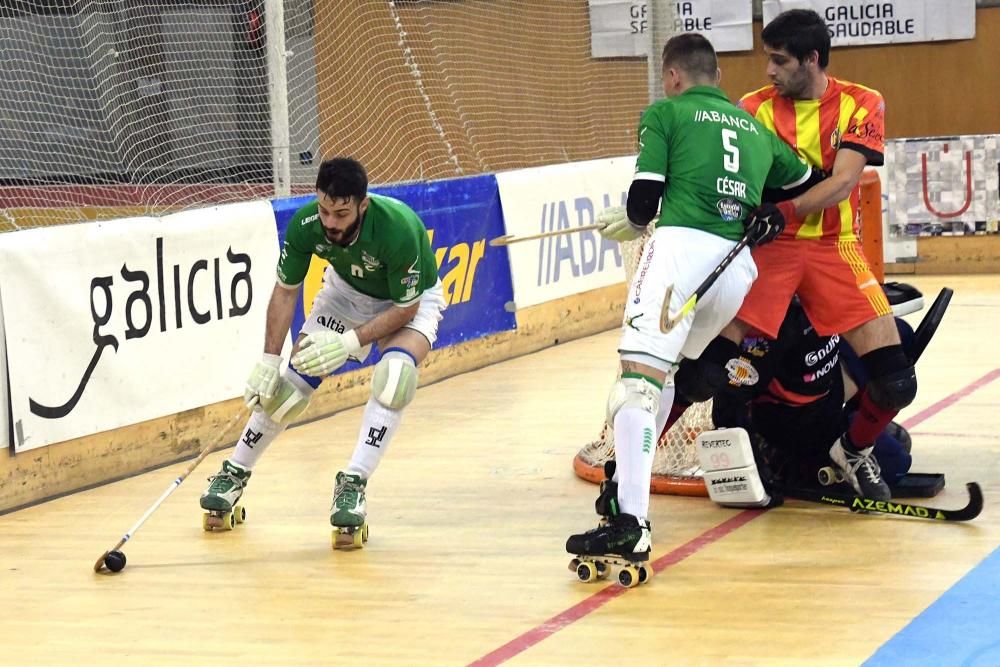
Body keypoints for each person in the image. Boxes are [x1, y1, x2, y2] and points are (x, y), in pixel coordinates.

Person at [565, 33, 820, 575]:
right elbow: (806, 180)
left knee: (636, 381)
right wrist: (771, 211)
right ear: (719, 78)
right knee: (669, 375)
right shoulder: (757, 129)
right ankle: (622, 497)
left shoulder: (665, 113)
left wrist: (628, 222)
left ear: (672, 76)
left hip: (680, 256)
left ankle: (630, 523)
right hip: (734, 270)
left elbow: (643, 202)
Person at [716, 8, 915, 501]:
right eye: (768, 59)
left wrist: (783, 209)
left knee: (897, 382)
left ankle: (852, 451)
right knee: (713, 369)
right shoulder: (752, 108)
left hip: (834, 248)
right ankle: (721, 458)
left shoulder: (861, 102)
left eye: (780, 61)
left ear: (811, 59)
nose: (769, 71)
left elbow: (844, 180)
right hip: (773, 250)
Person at [199, 157, 446, 547]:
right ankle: (234, 473)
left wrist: (349, 343)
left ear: (362, 206)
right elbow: (285, 291)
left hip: (407, 302)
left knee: (396, 379)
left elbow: (406, 308)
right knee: (288, 388)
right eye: (325, 209)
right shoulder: (305, 226)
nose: (330, 222)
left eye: (342, 213)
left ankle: (354, 484)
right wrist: (268, 361)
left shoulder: (399, 228)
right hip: (344, 296)